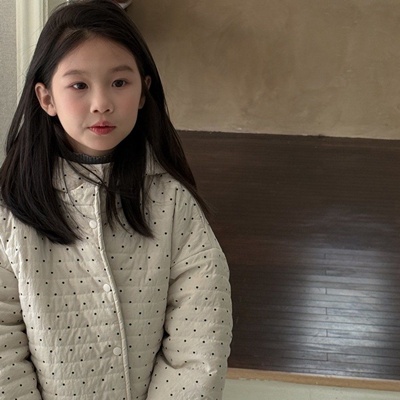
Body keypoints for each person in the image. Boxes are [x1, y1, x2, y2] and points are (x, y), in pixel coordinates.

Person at [0, 1, 232, 399]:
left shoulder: (172, 203)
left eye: (119, 83)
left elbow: (201, 338)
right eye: (79, 85)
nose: (101, 103)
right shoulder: (13, 208)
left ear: (143, 90)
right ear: (46, 97)